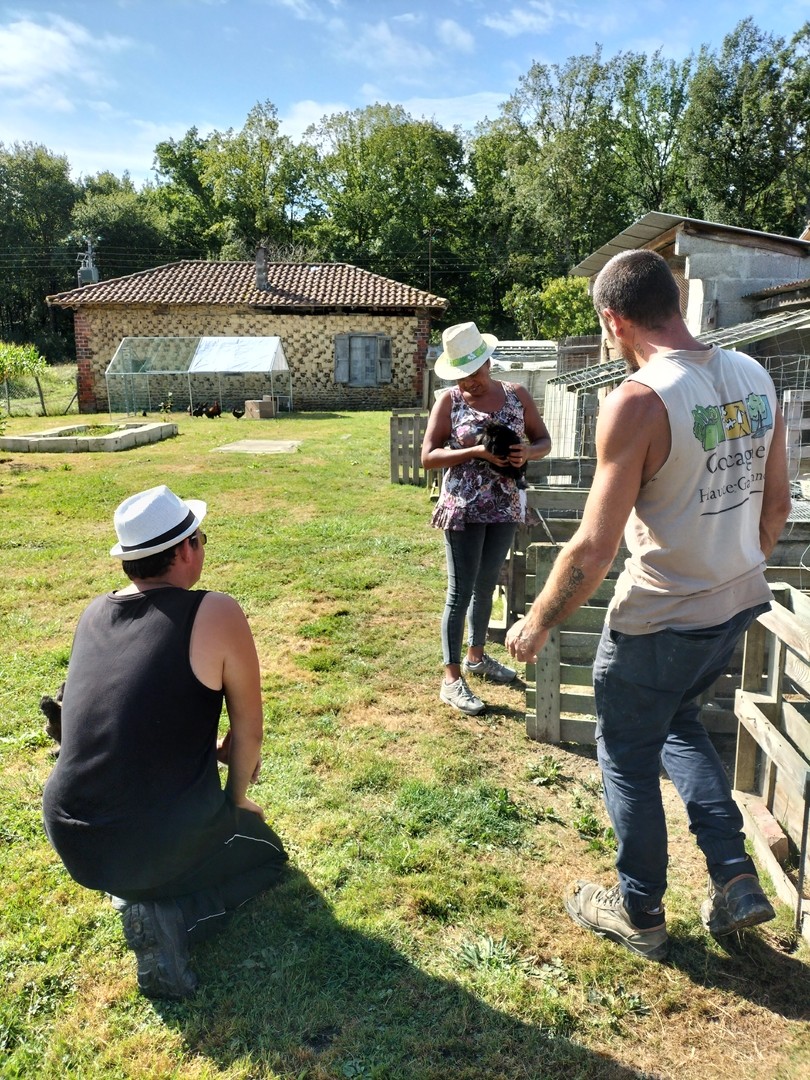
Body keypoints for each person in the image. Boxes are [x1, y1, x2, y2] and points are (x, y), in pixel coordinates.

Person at [506, 250, 791, 961]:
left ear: (614, 319)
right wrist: (731, 566)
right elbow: (777, 504)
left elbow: (593, 547)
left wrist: (536, 621)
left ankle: (638, 910)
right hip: (733, 604)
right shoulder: (754, 377)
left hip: (659, 618)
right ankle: (732, 876)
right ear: (678, 302)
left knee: (626, 755)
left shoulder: (639, 399)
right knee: (680, 723)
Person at [42, 485, 288, 999]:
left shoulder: (93, 613)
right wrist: (237, 801)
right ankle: (174, 915)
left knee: (154, 847)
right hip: (152, 834)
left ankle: (132, 888)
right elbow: (249, 728)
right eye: (200, 539)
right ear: (182, 551)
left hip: (72, 833)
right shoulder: (215, 611)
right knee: (266, 854)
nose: (203, 547)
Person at [422, 321, 551, 715]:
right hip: (463, 508)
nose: (470, 382)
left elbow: (543, 440)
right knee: (459, 592)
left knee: (486, 584)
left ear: (488, 362)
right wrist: (473, 452)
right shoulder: (448, 401)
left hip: (505, 505)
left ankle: (477, 657)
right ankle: (451, 679)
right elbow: (428, 456)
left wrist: (527, 453)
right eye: (461, 375)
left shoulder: (517, 395)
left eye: (474, 373)